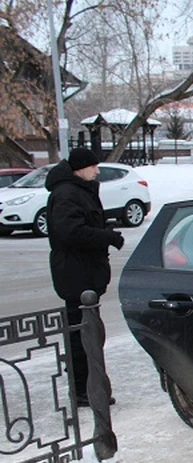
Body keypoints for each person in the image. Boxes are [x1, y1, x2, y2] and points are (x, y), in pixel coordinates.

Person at [46, 147, 124, 407]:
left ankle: (90, 387)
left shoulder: (77, 190)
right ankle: (83, 390)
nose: (97, 170)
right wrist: (107, 237)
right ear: (80, 168)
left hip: (85, 272)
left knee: (89, 333)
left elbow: (83, 227)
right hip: (75, 274)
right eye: (93, 166)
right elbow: (71, 232)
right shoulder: (67, 193)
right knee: (82, 336)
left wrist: (104, 232)